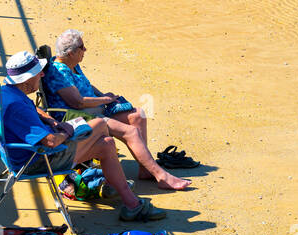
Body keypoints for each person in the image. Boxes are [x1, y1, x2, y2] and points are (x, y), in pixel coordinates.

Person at [0, 50, 166, 221]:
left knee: (107, 144)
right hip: (36, 161)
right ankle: (123, 191)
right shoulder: (17, 107)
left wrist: (52, 121)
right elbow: (51, 141)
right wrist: (67, 131)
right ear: (27, 78)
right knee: (100, 124)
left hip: (28, 152)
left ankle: (131, 204)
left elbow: (35, 108)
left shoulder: (7, 92)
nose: (42, 74)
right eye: (38, 72)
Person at [44, 30, 193, 191]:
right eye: (82, 47)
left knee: (138, 115)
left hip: (94, 110)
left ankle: (145, 169)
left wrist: (102, 95)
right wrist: (105, 100)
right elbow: (78, 102)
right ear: (71, 52)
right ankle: (161, 176)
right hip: (80, 117)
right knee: (131, 132)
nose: (85, 50)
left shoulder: (72, 65)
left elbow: (86, 86)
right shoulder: (58, 72)